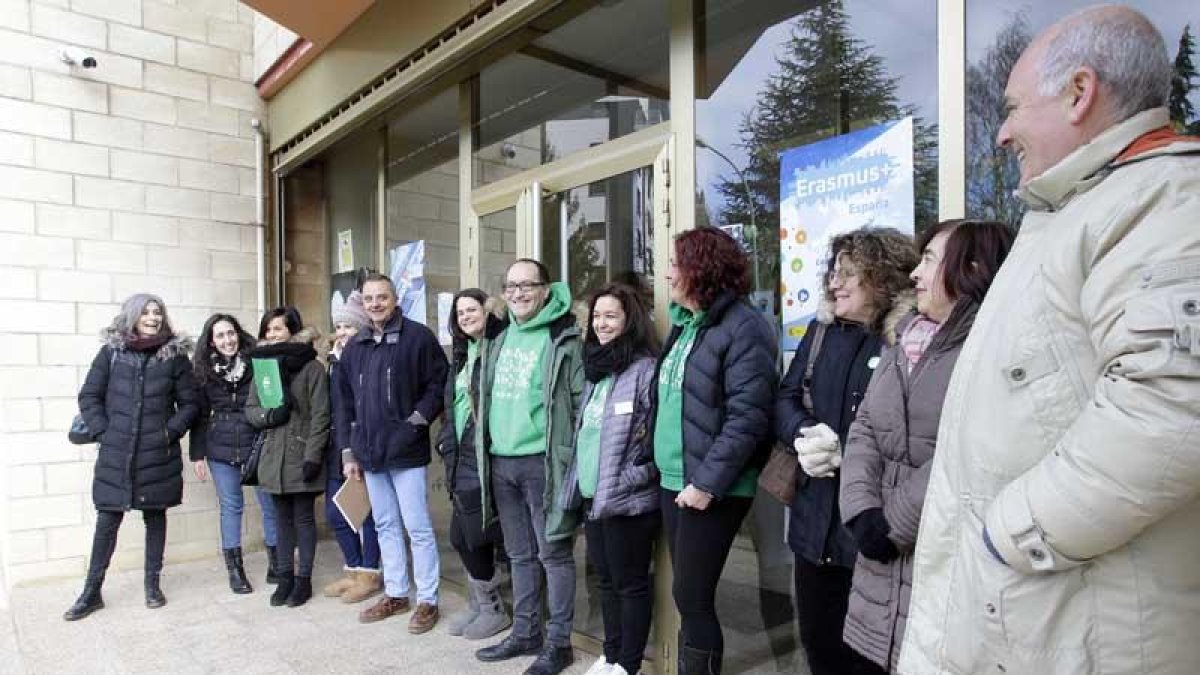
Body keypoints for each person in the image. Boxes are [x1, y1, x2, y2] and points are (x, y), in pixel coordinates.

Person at [900, 7, 1200, 675]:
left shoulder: (1164, 201)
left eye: (1011, 108)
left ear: (1079, 92)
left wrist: (1008, 533)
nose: (1001, 132)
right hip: (1034, 619)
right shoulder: (1072, 215)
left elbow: (1171, 411)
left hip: (1079, 629)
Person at [837, 220, 1013, 674]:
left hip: (940, 567)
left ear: (971, 268)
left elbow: (966, 445)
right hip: (876, 570)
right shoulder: (903, 338)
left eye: (930, 260)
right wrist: (860, 509)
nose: (915, 273)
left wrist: (892, 524)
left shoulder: (996, 349)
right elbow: (865, 427)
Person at [774, 228, 918, 675]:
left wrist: (856, 456)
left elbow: (921, 433)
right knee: (820, 648)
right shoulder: (820, 332)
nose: (834, 282)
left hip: (874, 530)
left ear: (882, 275)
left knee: (870, 661)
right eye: (833, 272)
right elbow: (786, 397)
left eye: (848, 272)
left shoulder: (909, 337)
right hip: (814, 527)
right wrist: (804, 433)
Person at [652, 228, 777, 675]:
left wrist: (706, 484)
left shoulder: (744, 327)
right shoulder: (686, 324)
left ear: (701, 269)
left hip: (712, 485)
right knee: (686, 595)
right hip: (674, 479)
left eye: (675, 264)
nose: (667, 273)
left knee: (692, 596)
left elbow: (749, 417)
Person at [474, 259, 584, 675]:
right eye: (511, 286)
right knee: (519, 555)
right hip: (501, 461)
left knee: (553, 555)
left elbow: (578, 403)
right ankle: (525, 633)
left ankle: (559, 643)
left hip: (542, 462)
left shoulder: (563, 336)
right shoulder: (500, 335)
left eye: (527, 285)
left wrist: (572, 462)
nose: (518, 293)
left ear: (546, 289)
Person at [65, 293, 200, 620]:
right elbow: (89, 396)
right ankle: (91, 592)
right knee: (107, 521)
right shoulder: (111, 353)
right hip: (117, 453)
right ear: (133, 316)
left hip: (157, 454)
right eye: (146, 312)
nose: (153, 317)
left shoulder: (175, 357)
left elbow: (191, 404)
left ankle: (152, 586)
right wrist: (104, 432)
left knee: (155, 518)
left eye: (157, 312)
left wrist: (169, 433)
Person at [337, 274, 448, 633]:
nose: (375, 304)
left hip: (406, 450)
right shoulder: (356, 346)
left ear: (395, 299)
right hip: (369, 454)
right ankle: (397, 593)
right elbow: (344, 402)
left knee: (418, 527)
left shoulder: (418, 337)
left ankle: (428, 600)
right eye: (369, 299)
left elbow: (438, 384)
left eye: (382, 297)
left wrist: (416, 421)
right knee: (385, 524)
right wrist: (349, 453)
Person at [563, 283, 660, 675]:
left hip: (628, 499)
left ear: (629, 321)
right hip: (594, 495)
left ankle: (628, 664)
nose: (601, 324)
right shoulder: (596, 370)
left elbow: (658, 441)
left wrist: (631, 476)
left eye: (610, 316)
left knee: (629, 583)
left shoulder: (645, 370)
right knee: (604, 580)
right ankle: (612, 652)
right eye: (596, 317)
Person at [437, 289, 512, 640]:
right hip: (460, 455)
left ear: (487, 311)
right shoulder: (463, 353)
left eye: (472, 309)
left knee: (474, 536)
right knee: (461, 537)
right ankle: (483, 604)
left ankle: (494, 609)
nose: (465, 316)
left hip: (483, 455)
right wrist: (445, 441)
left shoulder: (498, 348)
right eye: (460, 312)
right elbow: (452, 406)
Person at [189, 313, 281, 595]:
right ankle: (235, 570)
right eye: (220, 336)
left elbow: (273, 401)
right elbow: (200, 416)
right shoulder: (203, 372)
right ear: (211, 342)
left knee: (270, 504)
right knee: (231, 507)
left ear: (238, 334)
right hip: (220, 446)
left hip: (257, 442)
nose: (227, 340)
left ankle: (277, 562)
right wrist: (197, 455)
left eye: (231, 333)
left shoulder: (258, 363)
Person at [245, 306, 329, 608]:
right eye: (268, 329)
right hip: (273, 456)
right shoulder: (263, 367)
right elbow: (251, 409)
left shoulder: (312, 368)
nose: (271, 334)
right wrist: (269, 416)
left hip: (301, 454)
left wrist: (313, 456)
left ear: (292, 330)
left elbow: (321, 415)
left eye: (277, 328)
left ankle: (303, 579)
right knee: (281, 520)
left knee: (303, 519)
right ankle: (284, 578)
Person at [321, 291, 384, 604]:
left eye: (349, 326)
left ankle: (369, 572)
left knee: (365, 514)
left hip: (358, 444)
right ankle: (353, 568)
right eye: (339, 327)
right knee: (335, 513)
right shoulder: (331, 361)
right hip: (335, 447)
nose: (343, 332)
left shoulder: (362, 358)